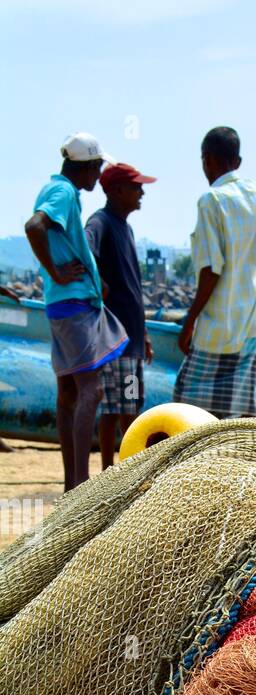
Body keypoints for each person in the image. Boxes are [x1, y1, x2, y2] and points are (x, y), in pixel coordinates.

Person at [24, 133, 129, 490]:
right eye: (97, 167)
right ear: (84, 167)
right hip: (73, 305)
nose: (98, 175)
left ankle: (73, 483)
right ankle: (81, 483)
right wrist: (55, 271)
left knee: (69, 392)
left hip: (63, 302)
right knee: (92, 389)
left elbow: (55, 236)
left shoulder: (59, 191)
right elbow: (34, 226)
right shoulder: (64, 192)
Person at [174, 127, 256, 418]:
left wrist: (189, 320)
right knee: (236, 410)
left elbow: (211, 270)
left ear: (206, 159)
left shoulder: (211, 201)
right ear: (238, 161)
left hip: (218, 327)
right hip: (250, 325)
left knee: (187, 407)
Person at [86, 162, 156, 467]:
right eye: (135, 187)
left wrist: (146, 334)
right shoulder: (101, 222)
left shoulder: (125, 227)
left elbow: (134, 288)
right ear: (116, 191)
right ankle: (117, 470)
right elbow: (86, 250)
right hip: (116, 336)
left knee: (125, 403)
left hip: (132, 335)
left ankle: (119, 469)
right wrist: (97, 284)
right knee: (121, 406)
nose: (141, 192)